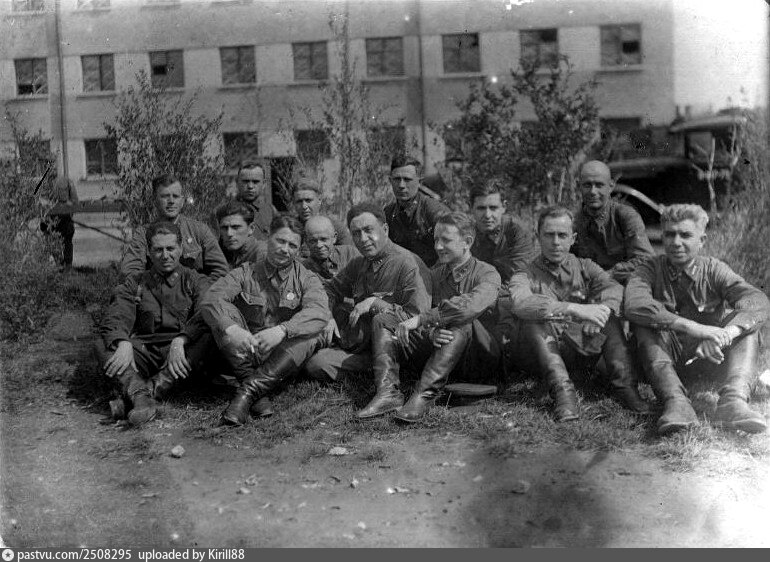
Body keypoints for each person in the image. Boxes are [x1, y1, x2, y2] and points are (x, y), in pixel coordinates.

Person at [625, 204, 769, 435]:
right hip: (662, 360)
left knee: (746, 327)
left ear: (701, 240)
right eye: (669, 234)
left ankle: (733, 402)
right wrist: (696, 328)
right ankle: (676, 403)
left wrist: (725, 335)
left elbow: (756, 299)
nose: (676, 242)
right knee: (644, 325)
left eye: (685, 235)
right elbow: (634, 304)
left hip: (709, 358)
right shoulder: (649, 268)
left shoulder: (714, 269)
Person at [508, 206, 650, 422]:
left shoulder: (585, 266)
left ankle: (626, 388)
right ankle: (562, 392)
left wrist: (602, 312)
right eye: (549, 235)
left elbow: (613, 288)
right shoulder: (524, 273)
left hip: (577, 348)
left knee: (608, 316)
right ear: (538, 237)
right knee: (535, 319)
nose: (556, 242)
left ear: (573, 238)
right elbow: (520, 303)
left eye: (562, 235)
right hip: (537, 354)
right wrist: (575, 308)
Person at [200, 214, 330, 426]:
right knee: (221, 314)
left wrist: (282, 330)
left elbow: (319, 310)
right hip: (246, 350)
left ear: (299, 250)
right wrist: (233, 330)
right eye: (280, 241)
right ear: (268, 238)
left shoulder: (306, 278)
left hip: (282, 360)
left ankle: (248, 392)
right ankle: (251, 383)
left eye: (292, 245)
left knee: (312, 333)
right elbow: (211, 299)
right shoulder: (245, 272)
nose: (285, 249)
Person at [304, 202, 431, 413]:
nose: (363, 239)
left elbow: (419, 319)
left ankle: (389, 391)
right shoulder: (359, 264)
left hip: (404, 348)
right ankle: (376, 371)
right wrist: (328, 316)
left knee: (381, 319)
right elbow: (329, 291)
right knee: (317, 364)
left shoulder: (408, 263)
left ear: (385, 229)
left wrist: (375, 303)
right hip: (369, 348)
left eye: (368, 230)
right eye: (356, 233)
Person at [95, 222, 213, 426]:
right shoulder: (136, 282)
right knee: (102, 343)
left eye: (170, 248)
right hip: (145, 350)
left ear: (181, 249)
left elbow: (205, 312)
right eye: (158, 250)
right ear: (149, 252)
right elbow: (117, 314)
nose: (165, 255)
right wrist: (123, 341)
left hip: (181, 352)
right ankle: (142, 396)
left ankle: (144, 394)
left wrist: (182, 339)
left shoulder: (195, 280)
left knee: (208, 336)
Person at [391, 212, 501, 423]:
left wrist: (424, 320)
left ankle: (425, 394)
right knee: (392, 321)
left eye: (446, 240)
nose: (438, 247)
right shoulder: (434, 275)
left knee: (460, 322)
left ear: (467, 242)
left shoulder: (488, 273)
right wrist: (431, 331)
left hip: (481, 358)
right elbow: (419, 308)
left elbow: (469, 307)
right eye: (436, 240)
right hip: (445, 356)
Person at [121, 174, 229, 281]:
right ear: (155, 200)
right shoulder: (143, 234)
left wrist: (202, 289)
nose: (171, 201)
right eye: (165, 196)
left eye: (176, 196)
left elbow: (221, 271)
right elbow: (131, 271)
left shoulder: (199, 231)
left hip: (194, 290)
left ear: (182, 201)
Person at [573, 160, 655, 284]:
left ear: (611, 186)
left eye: (599, 185)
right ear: (579, 186)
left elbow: (646, 258)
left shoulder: (625, 216)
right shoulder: (574, 221)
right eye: (587, 185)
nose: (593, 191)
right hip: (588, 285)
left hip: (625, 283)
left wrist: (608, 274)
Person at [384, 155, 450, 267]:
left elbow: (451, 249)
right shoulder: (388, 213)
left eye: (407, 179)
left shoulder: (433, 211)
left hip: (434, 273)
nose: (401, 185)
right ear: (390, 181)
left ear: (420, 182)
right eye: (396, 179)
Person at [469, 179, 535, 286]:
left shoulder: (516, 230)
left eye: (493, 208)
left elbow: (519, 275)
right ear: (471, 208)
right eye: (481, 208)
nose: (487, 215)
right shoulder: (466, 233)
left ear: (504, 207)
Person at [291, 177, 352, 247]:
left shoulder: (335, 227)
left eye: (308, 200)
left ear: (319, 200)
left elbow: (349, 251)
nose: (304, 206)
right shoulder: (290, 228)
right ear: (294, 203)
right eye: (299, 201)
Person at [301, 215, 359, 284]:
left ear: (334, 238)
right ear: (307, 241)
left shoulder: (350, 254)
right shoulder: (303, 270)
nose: (319, 245)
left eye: (323, 239)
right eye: (313, 241)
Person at [40, 175, 78, 268]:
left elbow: (39, 203)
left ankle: (62, 265)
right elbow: (75, 203)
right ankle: (65, 266)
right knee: (64, 241)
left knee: (54, 241)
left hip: (54, 219)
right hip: (59, 219)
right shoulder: (68, 182)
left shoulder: (43, 182)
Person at [215, 200, 266, 269]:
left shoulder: (263, 254)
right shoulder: (224, 252)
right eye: (224, 228)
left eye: (235, 227)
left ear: (251, 229)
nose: (229, 233)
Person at [233, 162, 272, 240]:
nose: (250, 186)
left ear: (264, 184)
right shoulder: (224, 212)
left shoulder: (270, 211)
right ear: (237, 182)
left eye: (255, 182)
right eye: (245, 181)